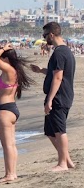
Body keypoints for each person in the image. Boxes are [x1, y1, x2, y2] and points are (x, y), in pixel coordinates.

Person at [30, 22, 75, 171]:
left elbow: (58, 77)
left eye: (44, 36)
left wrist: (49, 99)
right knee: (50, 131)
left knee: (59, 130)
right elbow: (55, 71)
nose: (44, 39)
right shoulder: (64, 51)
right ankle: (67, 160)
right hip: (62, 95)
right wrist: (41, 70)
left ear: (51, 35)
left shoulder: (59, 53)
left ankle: (62, 163)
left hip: (59, 97)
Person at [0, 42, 33, 182]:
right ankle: (11, 173)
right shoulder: (13, 71)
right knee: (10, 144)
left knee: (7, 145)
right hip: (9, 109)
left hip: (5, 111)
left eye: (2, 57)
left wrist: (2, 49)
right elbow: (5, 92)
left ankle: (10, 174)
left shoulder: (9, 70)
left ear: (6, 59)